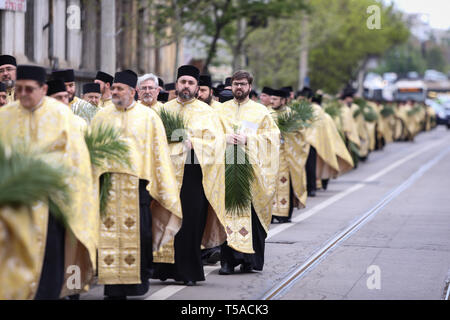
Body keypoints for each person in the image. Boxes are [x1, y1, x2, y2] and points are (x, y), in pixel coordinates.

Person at [0, 65, 98, 300]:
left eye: (29, 89)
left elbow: (78, 162)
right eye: (19, 88)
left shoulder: (61, 115)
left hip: (51, 205)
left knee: (49, 267)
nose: (22, 94)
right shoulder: (4, 117)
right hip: (14, 207)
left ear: (43, 89)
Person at [90, 69, 183, 299]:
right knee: (109, 236)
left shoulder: (149, 117)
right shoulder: (102, 116)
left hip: (138, 186)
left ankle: (136, 283)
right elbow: (91, 149)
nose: (115, 92)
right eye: (113, 89)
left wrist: (159, 185)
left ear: (133, 92)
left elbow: (159, 153)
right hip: (108, 185)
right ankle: (113, 287)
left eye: (120, 89)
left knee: (141, 235)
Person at [151, 65, 227, 286]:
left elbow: (218, 145)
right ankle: (164, 270)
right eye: (183, 82)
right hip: (166, 174)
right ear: (177, 84)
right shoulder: (164, 110)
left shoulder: (208, 113)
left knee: (190, 222)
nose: (186, 86)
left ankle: (188, 272)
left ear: (197, 87)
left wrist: (195, 144)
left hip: (194, 174)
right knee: (165, 216)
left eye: (191, 83)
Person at [216, 70, 280, 275]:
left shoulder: (261, 112)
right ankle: (227, 261)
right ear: (231, 86)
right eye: (236, 84)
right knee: (228, 214)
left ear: (250, 87)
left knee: (251, 216)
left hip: (252, 172)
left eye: (243, 84)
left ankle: (248, 261)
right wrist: (225, 139)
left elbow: (273, 138)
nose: (239, 88)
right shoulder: (219, 111)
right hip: (226, 168)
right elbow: (210, 134)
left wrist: (249, 140)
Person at [270, 89, 308, 223]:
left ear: (283, 100)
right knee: (271, 183)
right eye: (271, 99)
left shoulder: (292, 115)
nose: (272, 101)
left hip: (287, 156)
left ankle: (284, 213)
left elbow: (301, 136)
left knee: (286, 183)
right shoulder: (267, 113)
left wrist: (285, 136)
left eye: (275, 99)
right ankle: (272, 212)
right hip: (271, 156)